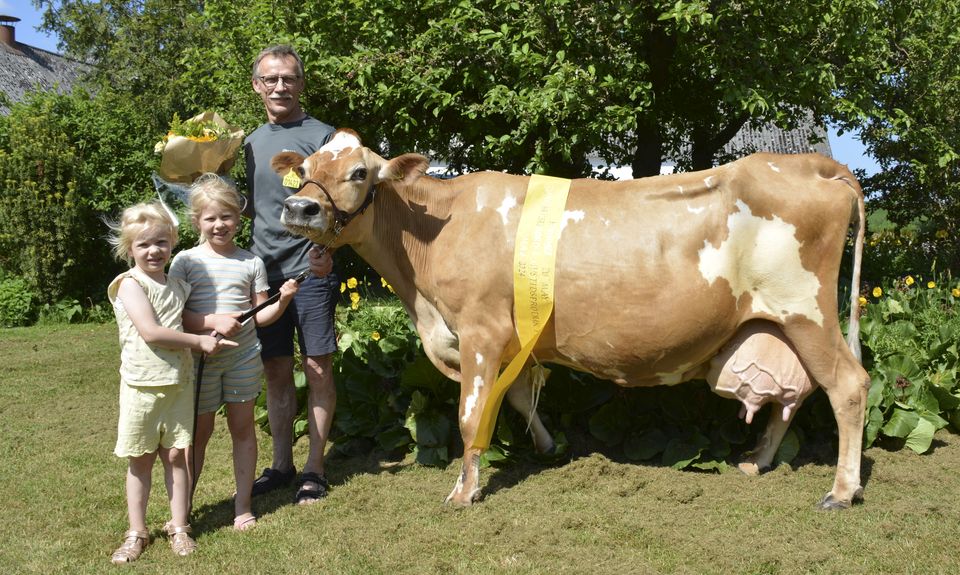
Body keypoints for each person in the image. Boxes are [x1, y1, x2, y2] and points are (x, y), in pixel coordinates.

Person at [106, 202, 236, 564]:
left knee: (177, 456)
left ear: (173, 243)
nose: (153, 251)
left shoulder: (177, 284)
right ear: (129, 248)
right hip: (141, 388)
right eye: (144, 244)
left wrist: (214, 325)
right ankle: (137, 532)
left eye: (161, 243)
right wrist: (199, 343)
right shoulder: (129, 285)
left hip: (178, 384)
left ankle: (179, 526)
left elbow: (184, 321)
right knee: (141, 460)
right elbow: (151, 332)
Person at [169, 174, 300, 531]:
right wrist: (212, 319)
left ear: (238, 219)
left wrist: (284, 298)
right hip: (201, 360)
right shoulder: (185, 262)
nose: (219, 225)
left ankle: (243, 506)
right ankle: (183, 508)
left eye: (226, 217)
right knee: (198, 435)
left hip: (242, 360)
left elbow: (263, 316)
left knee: (243, 430)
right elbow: (176, 315)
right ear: (197, 222)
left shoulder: (250, 263)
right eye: (210, 218)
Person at [243, 44, 339, 505]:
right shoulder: (246, 142)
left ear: (302, 84)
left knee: (317, 367)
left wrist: (329, 250)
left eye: (289, 78)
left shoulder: (326, 138)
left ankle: (314, 469)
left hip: (311, 270)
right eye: (271, 79)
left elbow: (344, 203)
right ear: (257, 86)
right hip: (263, 273)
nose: (280, 86)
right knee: (275, 370)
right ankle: (281, 466)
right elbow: (245, 206)